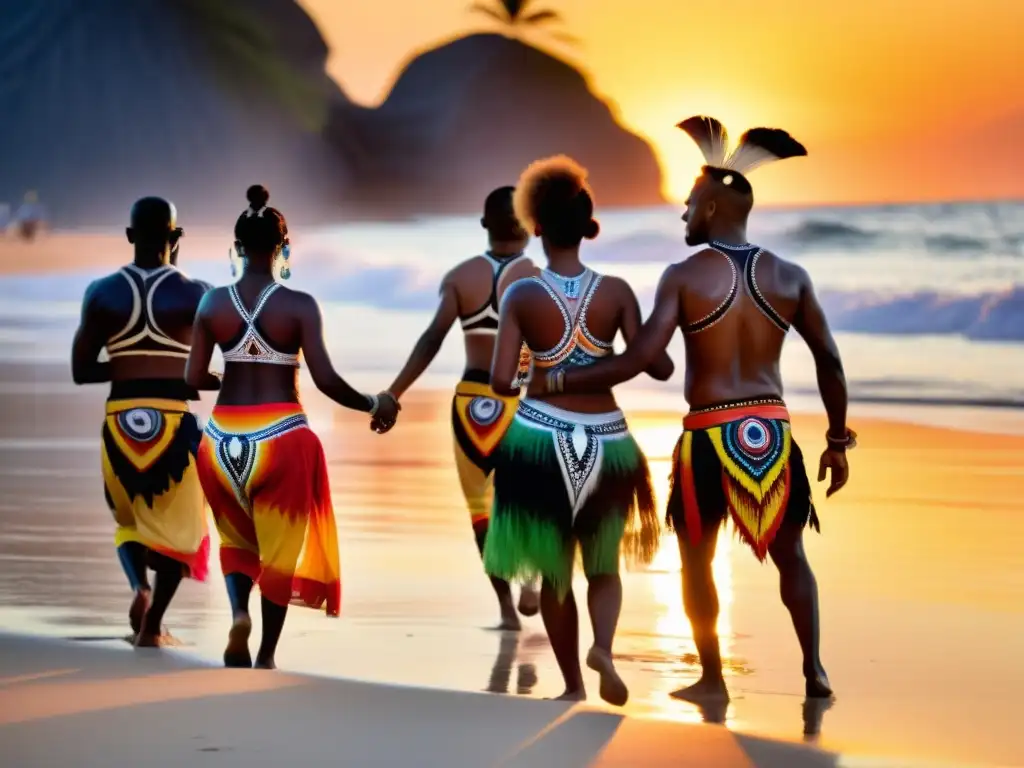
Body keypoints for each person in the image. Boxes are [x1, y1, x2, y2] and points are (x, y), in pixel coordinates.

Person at [538, 116, 856, 703]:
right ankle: (814, 670)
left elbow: (639, 357)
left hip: (708, 438)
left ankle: (712, 680)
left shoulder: (683, 277)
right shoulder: (790, 276)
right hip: (772, 431)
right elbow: (830, 363)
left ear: (711, 209)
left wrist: (561, 375)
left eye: (688, 205)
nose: (683, 214)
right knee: (793, 556)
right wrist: (837, 442)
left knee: (696, 561)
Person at [484, 156, 673, 705]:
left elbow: (500, 381)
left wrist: (536, 369)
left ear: (536, 227)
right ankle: (605, 650)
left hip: (540, 438)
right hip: (609, 441)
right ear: (588, 227)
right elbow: (654, 363)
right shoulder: (615, 292)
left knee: (554, 575)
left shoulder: (521, 294)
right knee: (603, 565)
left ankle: (570, 687)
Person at [185, 185, 399, 669]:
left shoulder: (212, 304)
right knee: (280, 550)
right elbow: (324, 381)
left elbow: (193, 378)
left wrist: (227, 373)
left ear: (237, 248)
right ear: (283, 248)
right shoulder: (300, 305)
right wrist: (374, 403)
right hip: (281, 438)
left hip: (218, 444)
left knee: (236, 541)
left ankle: (239, 613)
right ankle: (265, 655)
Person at [386, 186, 539, 630]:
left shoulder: (460, 277)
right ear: (528, 226)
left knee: (480, 508)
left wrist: (394, 394)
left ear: (484, 226)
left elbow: (430, 341)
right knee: (526, 500)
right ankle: (531, 574)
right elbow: (554, 349)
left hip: (471, 407)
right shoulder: (539, 279)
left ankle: (507, 611)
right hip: (521, 405)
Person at [71, 197, 218, 646]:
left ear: (131, 237)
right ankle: (153, 628)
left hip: (119, 423)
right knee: (182, 530)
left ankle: (140, 587)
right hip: (174, 426)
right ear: (175, 239)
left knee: (130, 523)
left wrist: (134, 365)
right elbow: (199, 376)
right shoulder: (198, 294)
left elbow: (82, 371)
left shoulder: (101, 292)